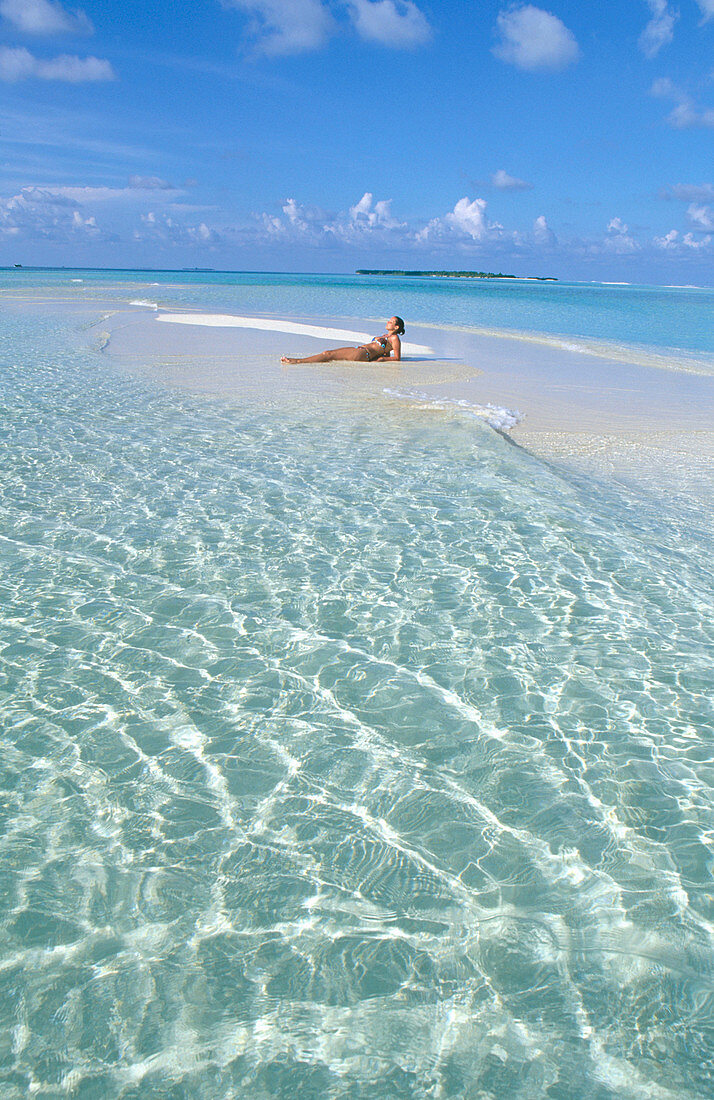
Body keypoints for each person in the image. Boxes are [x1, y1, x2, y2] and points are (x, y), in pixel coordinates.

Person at [281, 316, 404, 364]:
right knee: (329, 354)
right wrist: (382, 355)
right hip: (361, 351)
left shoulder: (395, 338)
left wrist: (383, 359)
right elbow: (385, 351)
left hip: (364, 353)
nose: (388, 322)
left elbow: (397, 357)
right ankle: (298, 361)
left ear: (396, 327)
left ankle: (297, 361)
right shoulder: (385, 336)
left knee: (328, 354)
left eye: (391, 322)